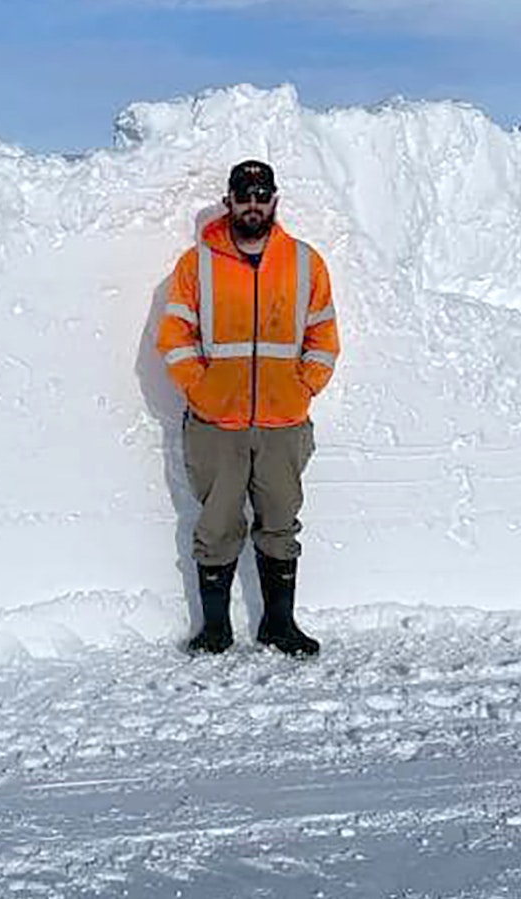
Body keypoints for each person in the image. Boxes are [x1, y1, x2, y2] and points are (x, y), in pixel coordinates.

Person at [155, 159, 340, 657]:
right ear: (229, 201)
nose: (253, 204)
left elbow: (323, 335)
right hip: (217, 425)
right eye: (244, 195)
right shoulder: (197, 265)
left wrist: (306, 385)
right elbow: (174, 336)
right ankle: (214, 630)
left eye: (262, 195)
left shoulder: (305, 263)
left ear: (274, 201)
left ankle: (278, 625)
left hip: (284, 423)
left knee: (280, 521)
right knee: (216, 523)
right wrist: (201, 388)